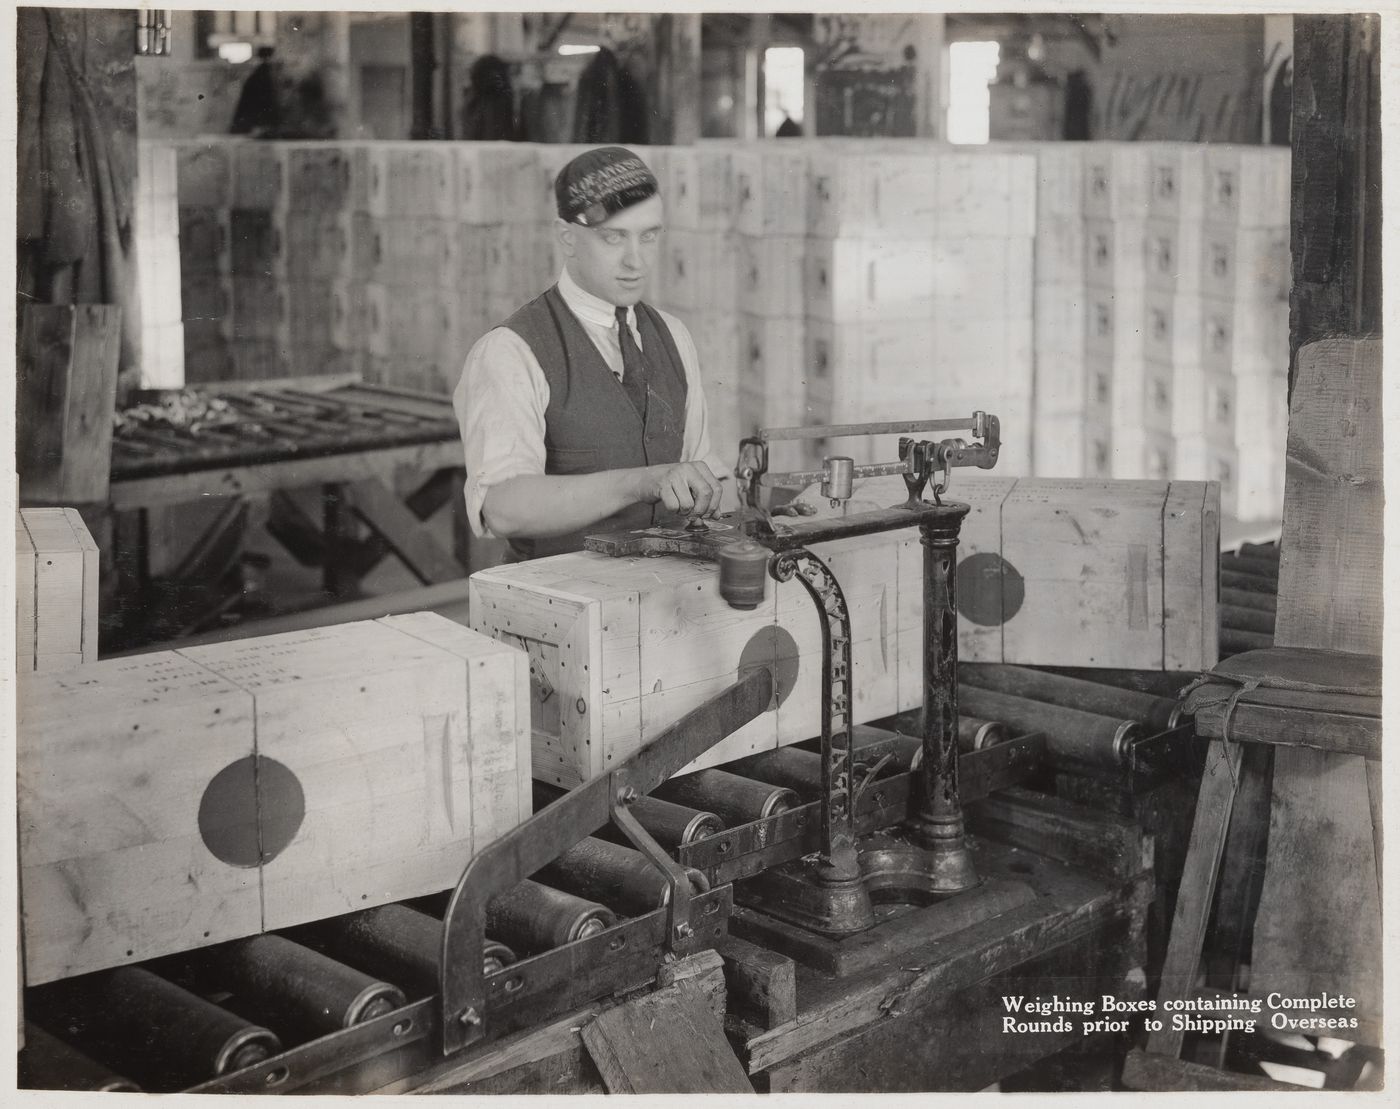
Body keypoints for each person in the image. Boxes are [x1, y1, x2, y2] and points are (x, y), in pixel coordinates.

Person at [454, 146, 729, 563]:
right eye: (613, 237)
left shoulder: (674, 337)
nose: (635, 261)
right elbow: (503, 507)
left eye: (648, 236)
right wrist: (643, 482)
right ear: (567, 238)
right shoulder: (511, 351)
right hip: (559, 605)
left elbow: (699, 463)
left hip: (662, 598)